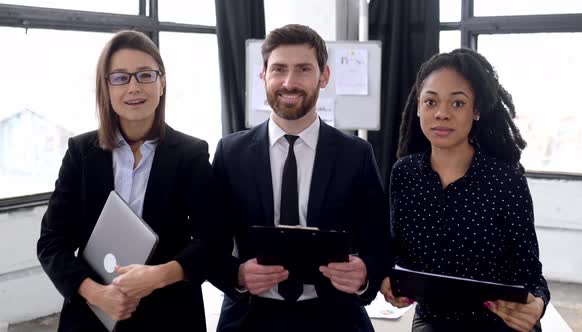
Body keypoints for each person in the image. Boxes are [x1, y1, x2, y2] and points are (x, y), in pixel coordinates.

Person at [207, 24, 390, 332]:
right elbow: (209, 244)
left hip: (336, 318)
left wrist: (365, 274)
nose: (289, 82)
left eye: (303, 69)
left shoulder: (356, 154)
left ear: (324, 76)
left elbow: (380, 244)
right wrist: (236, 275)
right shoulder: (231, 152)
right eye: (278, 69)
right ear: (263, 75)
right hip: (250, 318)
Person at [37, 30, 217, 331]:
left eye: (145, 75)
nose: (134, 87)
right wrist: (97, 294)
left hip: (170, 312)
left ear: (162, 82)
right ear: (105, 88)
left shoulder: (191, 154)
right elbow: (51, 242)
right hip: (93, 313)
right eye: (120, 77)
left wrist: (160, 275)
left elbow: (214, 240)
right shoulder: (81, 153)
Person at [380, 48, 550, 332]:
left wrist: (537, 304)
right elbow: (400, 256)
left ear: (477, 110)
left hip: (499, 323)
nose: (442, 114)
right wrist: (390, 281)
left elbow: (531, 274)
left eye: (457, 104)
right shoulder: (405, 173)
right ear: (419, 107)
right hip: (433, 320)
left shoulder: (506, 180)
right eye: (431, 102)